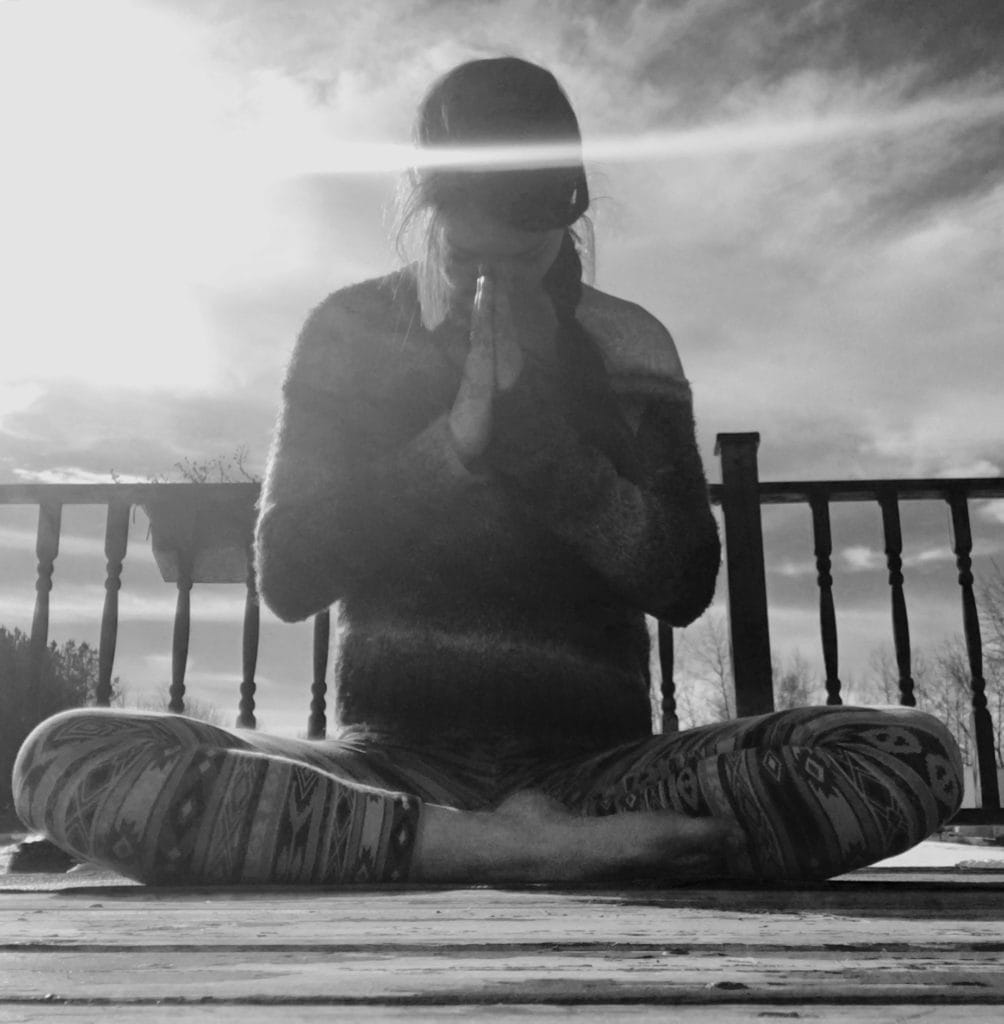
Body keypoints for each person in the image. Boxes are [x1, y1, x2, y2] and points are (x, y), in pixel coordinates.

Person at [13, 57, 963, 886]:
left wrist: (536, 444)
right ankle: (496, 852)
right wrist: (452, 443)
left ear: (570, 213)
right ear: (425, 212)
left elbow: (680, 581)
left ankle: (418, 852)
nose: (494, 283)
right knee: (71, 760)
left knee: (906, 757)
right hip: (391, 771)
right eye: (468, 256)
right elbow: (291, 574)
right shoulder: (351, 330)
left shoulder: (630, 342)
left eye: (528, 254)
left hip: (598, 778)